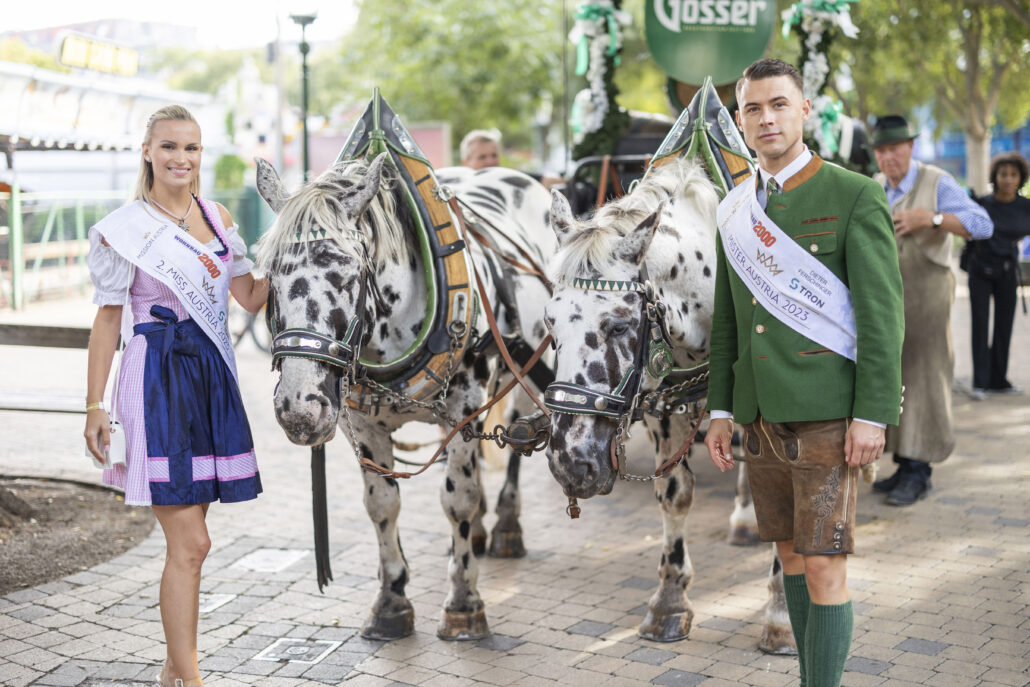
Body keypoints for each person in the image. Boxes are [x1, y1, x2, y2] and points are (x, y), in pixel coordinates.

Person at [705, 59, 904, 687]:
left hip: (828, 411)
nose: (766, 118)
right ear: (740, 120)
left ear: (805, 110)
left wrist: (874, 413)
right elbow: (730, 322)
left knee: (824, 566)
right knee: (790, 556)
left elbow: (882, 316)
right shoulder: (736, 210)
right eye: (753, 109)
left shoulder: (854, 194)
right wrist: (718, 409)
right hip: (760, 414)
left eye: (779, 105)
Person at [83, 105, 268, 687]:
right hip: (155, 379)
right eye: (169, 147)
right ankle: (192, 681)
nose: (181, 159)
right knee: (192, 542)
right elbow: (107, 322)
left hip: (209, 378)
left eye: (191, 148)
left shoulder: (215, 219)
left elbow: (251, 298)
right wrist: (95, 404)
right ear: (147, 151)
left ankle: (172, 673)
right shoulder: (126, 227)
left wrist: (293, 243)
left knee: (192, 550)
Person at [870, 114, 993, 506]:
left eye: (896, 148)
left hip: (928, 295)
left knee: (926, 377)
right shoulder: (874, 186)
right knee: (896, 379)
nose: (889, 157)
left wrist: (934, 219)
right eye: (882, 150)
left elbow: (982, 224)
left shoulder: (936, 181)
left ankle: (920, 473)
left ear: (911, 147)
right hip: (887, 299)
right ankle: (904, 461)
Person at [966, 152, 1030, 396]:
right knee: (980, 326)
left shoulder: (1025, 207)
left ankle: (999, 381)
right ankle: (980, 383)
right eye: (1003, 174)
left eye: (1013, 175)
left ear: (1020, 178)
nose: (1008, 179)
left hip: (1007, 272)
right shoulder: (982, 204)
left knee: (1004, 326)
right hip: (980, 271)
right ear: (995, 176)